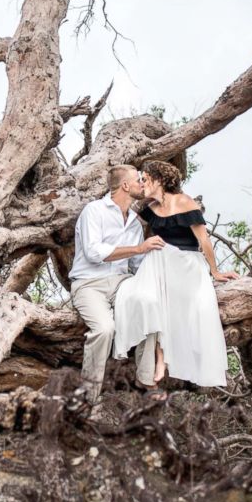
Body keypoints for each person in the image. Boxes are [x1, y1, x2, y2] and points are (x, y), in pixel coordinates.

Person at [113, 160, 238, 392]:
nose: (143, 183)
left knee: (198, 307)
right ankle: (161, 359)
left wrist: (215, 271)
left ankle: (180, 358)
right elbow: (128, 222)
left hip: (187, 262)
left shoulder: (184, 202)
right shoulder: (149, 207)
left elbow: (204, 241)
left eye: (146, 179)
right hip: (158, 262)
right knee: (151, 300)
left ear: (159, 180)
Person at [69, 164, 165, 403]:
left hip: (122, 282)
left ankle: (146, 381)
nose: (143, 183)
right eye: (138, 180)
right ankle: (89, 397)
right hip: (89, 284)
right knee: (104, 329)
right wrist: (139, 247)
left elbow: (136, 263)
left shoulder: (134, 221)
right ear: (125, 186)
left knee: (149, 302)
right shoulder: (94, 210)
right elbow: (93, 252)